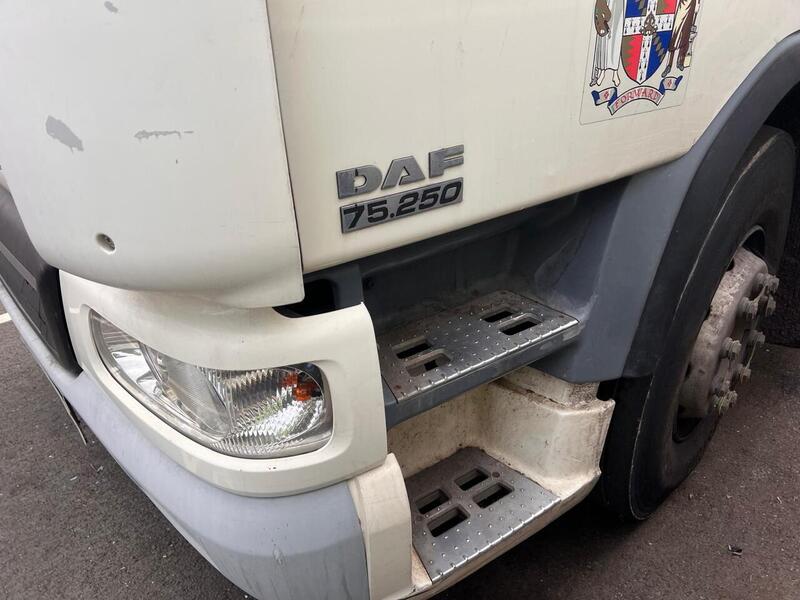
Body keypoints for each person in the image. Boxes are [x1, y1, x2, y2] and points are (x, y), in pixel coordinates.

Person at [590, 0, 624, 87]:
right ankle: (602, 71)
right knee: (604, 38)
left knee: (616, 38)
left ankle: (615, 72)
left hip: (618, 5)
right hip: (606, 4)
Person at [662, 0, 699, 77]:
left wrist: (695, 14)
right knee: (675, 36)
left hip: (691, 9)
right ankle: (669, 65)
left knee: (685, 36)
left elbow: (697, 4)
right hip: (681, 9)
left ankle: (680, 62)